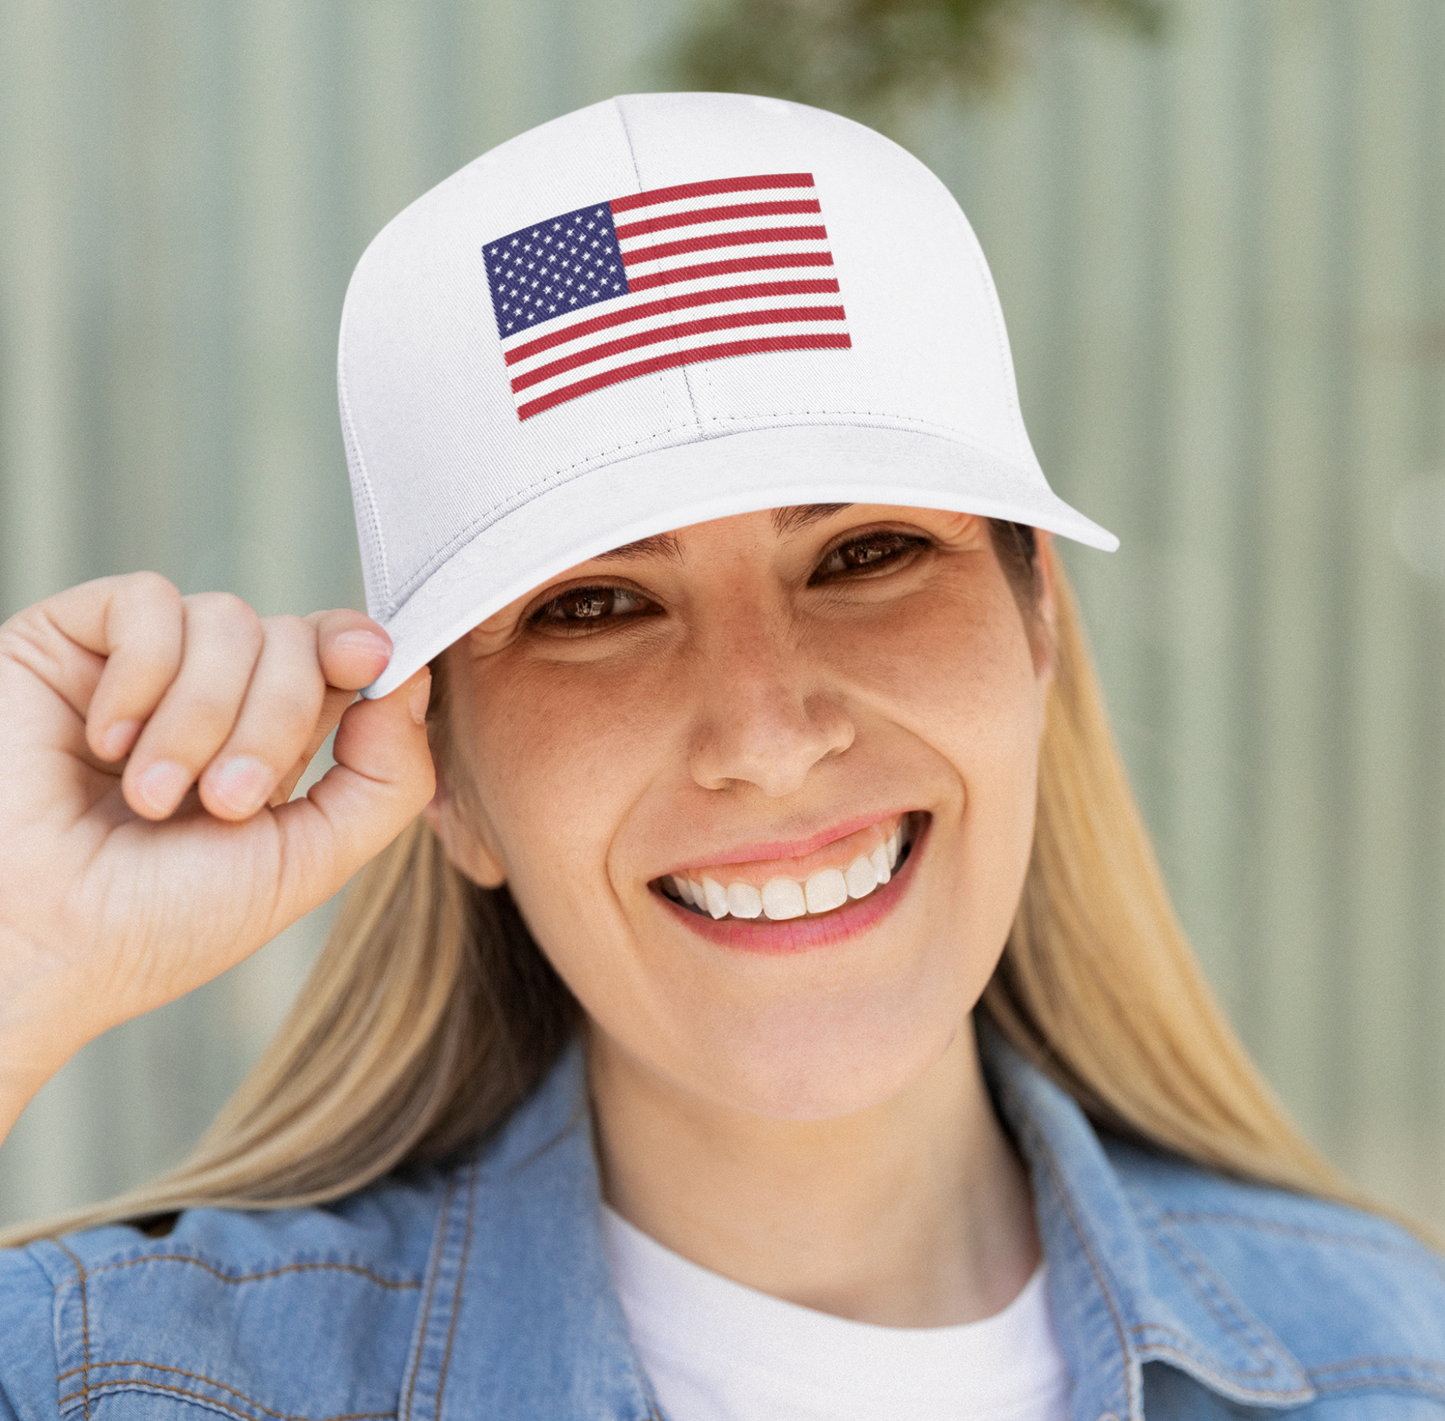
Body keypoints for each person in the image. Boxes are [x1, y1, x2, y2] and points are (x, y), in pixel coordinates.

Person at [0, 92, 1441, 1420]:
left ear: (1037, 626)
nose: (765, 740)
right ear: (446, 775)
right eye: (593, 607)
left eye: (865, 553)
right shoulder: (116, 1380)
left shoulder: (1395, 1362)